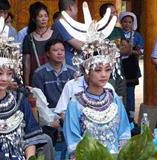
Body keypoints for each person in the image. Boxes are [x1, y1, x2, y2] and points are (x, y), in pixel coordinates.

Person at [60, 2, 131, 158]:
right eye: (98, 70)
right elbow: (73, 143)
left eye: (107, 70)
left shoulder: (113, 98)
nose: (104, 75)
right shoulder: (75, 103)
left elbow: (124, 134)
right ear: (86, 72)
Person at [0, 14, 47, 159]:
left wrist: (29, 158)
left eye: (9, 73)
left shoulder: (20, 100)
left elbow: (30, 137)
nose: (5, 78)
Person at [23, 2, 61, 86]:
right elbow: (26, 63)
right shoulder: (29, 38)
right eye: (40, 16)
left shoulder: (55, 35)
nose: (44, 19)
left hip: (54, 78)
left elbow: (61, 57)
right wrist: (26, 84)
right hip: (36, 79)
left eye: (46, 16)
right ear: (33, 19)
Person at [119, 11, 144, 125]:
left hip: (131, 68)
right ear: (121, 22)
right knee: (120, 94)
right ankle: (121, 119)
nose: (127, 24)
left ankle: (131, 119)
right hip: (119, 67)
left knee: (130, 95)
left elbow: (142, 51)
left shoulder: (136, 35)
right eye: (125, 21)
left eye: (129, 22)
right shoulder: (118, 34)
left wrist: (132, 51)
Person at [52, 0, 84, 66]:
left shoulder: (70, 23)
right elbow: (79, 45)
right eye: (76, 7)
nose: (77, 10)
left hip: (75, 61)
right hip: (67, 64)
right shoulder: (60, 23)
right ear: (70, 8)